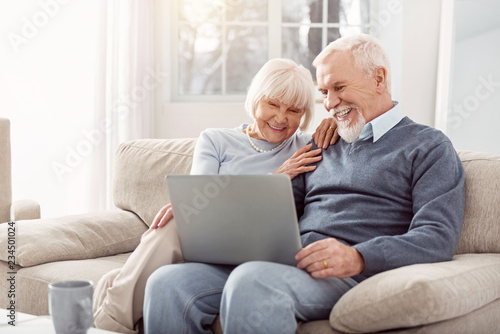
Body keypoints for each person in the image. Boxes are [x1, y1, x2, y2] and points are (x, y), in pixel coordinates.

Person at [142, 34, 465, 333]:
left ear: (378, 79)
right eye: (324, 92)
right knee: (167, 284)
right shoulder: (322, 143)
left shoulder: (428, 147)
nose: (330, 103)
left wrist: (357, 257)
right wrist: (210, 212)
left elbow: (436, 237)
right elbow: (279, 208)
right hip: (289, 262)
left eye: (339, 87)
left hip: (348, 273)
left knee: (253, 281)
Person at [92, 58, 338, 334]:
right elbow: (199, 204)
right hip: (212, 251)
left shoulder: (307, 146)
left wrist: (334, 122)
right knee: (175, 218)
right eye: (272, 104)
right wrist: (276, 178)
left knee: (178, 219)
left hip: (267, 261)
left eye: (293, 110)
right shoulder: (216, 140)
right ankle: (111, 322)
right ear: (256, 99)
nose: (281, 118)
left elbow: (350, 140)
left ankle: (111, 308)